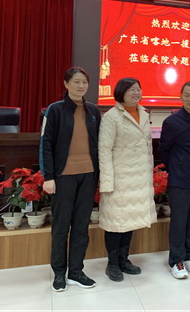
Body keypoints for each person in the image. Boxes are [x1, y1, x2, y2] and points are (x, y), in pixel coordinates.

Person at [40, 67, 100, 292]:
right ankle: (59, 273)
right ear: (66, 84)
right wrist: (48, 176)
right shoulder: (55, 110)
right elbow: (45, 144)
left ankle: (76, 272)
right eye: (76, 81)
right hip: (63, 177)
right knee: (61, 226)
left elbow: (98, 144)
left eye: (84, 82)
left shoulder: (93, 111)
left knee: (81, 227)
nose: (81, 85)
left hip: (88, 175)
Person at [98, 77, 156, 282]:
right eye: (132, 90)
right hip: (119, 178)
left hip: (138, 177)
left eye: (138, 89)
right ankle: (112, 263)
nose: (136, 93)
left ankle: (124, 260)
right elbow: (104, 151)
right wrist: (107, 181)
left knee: (129, 220)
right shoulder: (111, 117)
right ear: (121, 92)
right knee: (115, 223)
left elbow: (148, 148)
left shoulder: (143, 113)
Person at [159, 81, 190, 279]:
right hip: (180, 181)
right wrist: (177, 168)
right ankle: (176, 260)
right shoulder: (172, 122)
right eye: (187, 95)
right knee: (179, 222)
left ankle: (189, 256)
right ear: (180, 97)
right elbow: (164, 150)